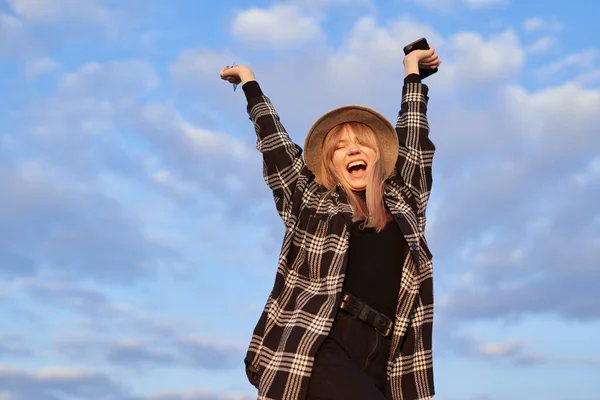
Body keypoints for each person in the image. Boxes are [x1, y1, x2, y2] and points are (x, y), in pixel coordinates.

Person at [220, 46, 441, 400]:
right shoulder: (312, 203)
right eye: (340, 147)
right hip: (322, 340)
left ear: (377, 156)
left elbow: (414, 143)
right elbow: (277, 149)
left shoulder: (404, 202)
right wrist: (250, 84)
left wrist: (412, 73)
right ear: (331, 163)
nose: (353, 150)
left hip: (387, 355)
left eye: (361, 143)